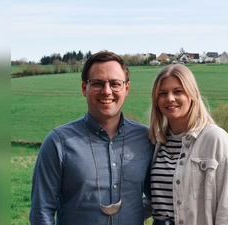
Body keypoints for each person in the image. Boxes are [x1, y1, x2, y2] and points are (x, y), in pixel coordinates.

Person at [29, 51, 154, 225]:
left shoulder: (146, 139)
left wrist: (131, 212)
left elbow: (158, 196)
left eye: (115, 84)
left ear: (126, 89)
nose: (106, 91)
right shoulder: (58, 142)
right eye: (97, 83)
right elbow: (41, 211)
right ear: (84, 88)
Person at [148, 64, 228, 225]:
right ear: (156, 100)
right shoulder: (157, 142)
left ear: (191, 95)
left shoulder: (215, 139)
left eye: (178, 91)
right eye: (163, 93)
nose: (170, 98)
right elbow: (155, 200)